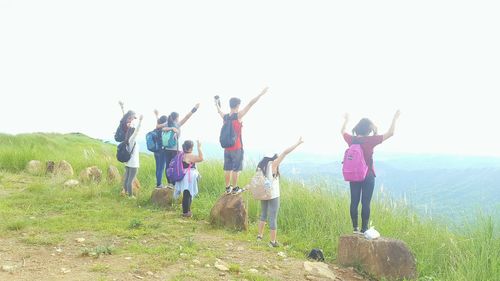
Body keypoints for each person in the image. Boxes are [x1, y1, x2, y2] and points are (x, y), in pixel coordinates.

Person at [341, 110, 401, 234]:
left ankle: (355, 229)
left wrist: (346, 120)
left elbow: (342, 131)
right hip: (368, 175)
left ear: (358, 128)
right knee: (365, 203)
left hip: (354, 175)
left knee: (354, 201)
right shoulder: (370, 140)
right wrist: (395, 117)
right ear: (368, 130)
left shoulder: (351, 140)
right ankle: (364, 230)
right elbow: (391, 133)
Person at [215, 87, 269, 194]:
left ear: (230, 105)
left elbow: (218, 111)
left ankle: (227, 188)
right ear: (237, 105)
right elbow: (251, 103)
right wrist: (261, 94)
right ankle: (235, 188)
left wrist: (216, 103)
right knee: (236, 169)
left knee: (227, 168)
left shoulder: (225, 117)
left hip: (227, 148)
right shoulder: (238, 115)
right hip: (237, 147)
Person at [257, 137, 304, 248]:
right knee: (273, 217)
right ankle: (273, 242)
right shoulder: (273, 165)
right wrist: (297, 144)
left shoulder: (261, 166)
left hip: (263, 193)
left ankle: (259, 236)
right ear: (274, 157)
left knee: (263, 214)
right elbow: (285, 152)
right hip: (273, 195)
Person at [155, 103, 200, 188]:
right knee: (175, 165)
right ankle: (174, 183)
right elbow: (187, 116)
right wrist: (195, 108)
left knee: (168, 166)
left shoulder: (167, 124)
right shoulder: (177, 124)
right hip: (174, 149)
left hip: (166, 148)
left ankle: (169, 183)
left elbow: (158, 126)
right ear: (176, 118)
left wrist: (158, 117)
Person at [174, 140, 204, 217]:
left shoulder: (181, 155)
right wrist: (199, 147)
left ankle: (187, 210)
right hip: (188, 177)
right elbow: (201, 158)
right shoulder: (190, 156)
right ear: (190, 148)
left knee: (186, 193)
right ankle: (185, 213)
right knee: (187, 193)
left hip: (182, 175)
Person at [123, 112, 143, 198]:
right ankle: (130, 196)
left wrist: (131, 124)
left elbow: (132, 130)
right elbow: (137, 130)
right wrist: (140, 121)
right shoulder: (132, 139)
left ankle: (126, 193)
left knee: (127, 179)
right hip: (133, 163)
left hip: (127, 162)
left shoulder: (127, 139)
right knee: (130, 180)